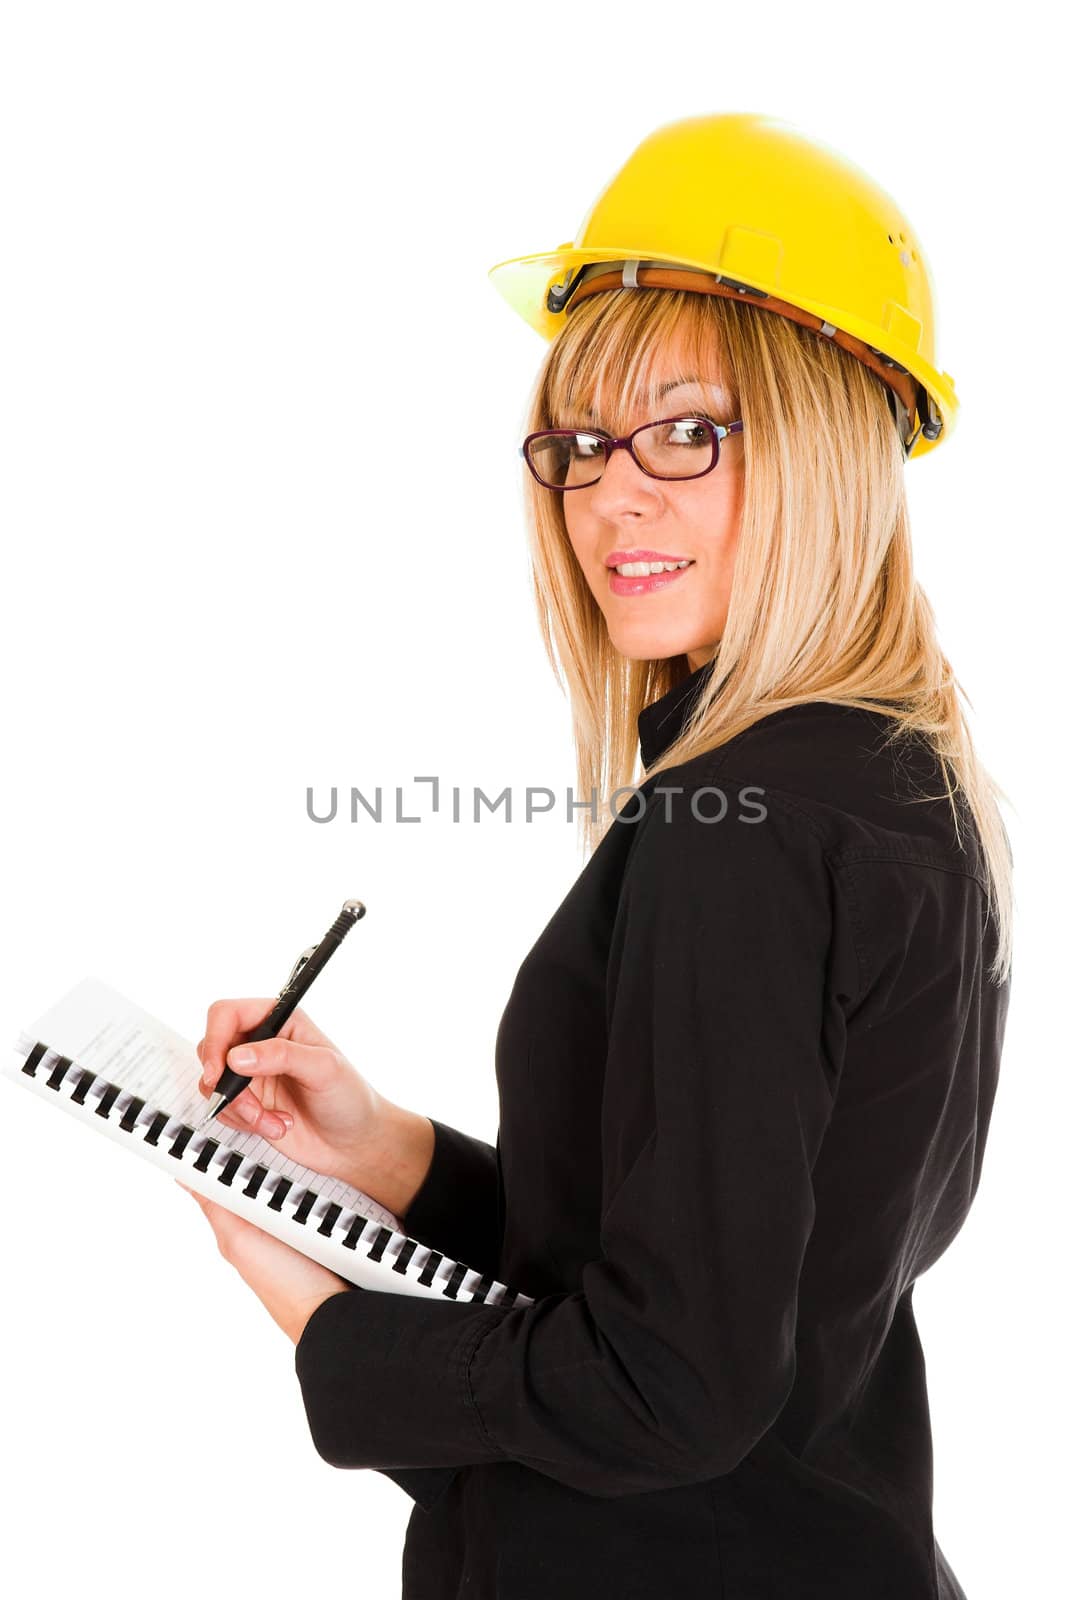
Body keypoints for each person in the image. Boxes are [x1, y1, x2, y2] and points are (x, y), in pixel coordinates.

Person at [183, 113, 1013, 1599]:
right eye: (575, 442)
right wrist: (388, 1156)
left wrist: (321, 1316)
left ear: (830, 440)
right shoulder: (891, 783)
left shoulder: (746, 833)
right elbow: (717, 1255)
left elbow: (666, 1385)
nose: (608, 492)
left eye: (686, 430)